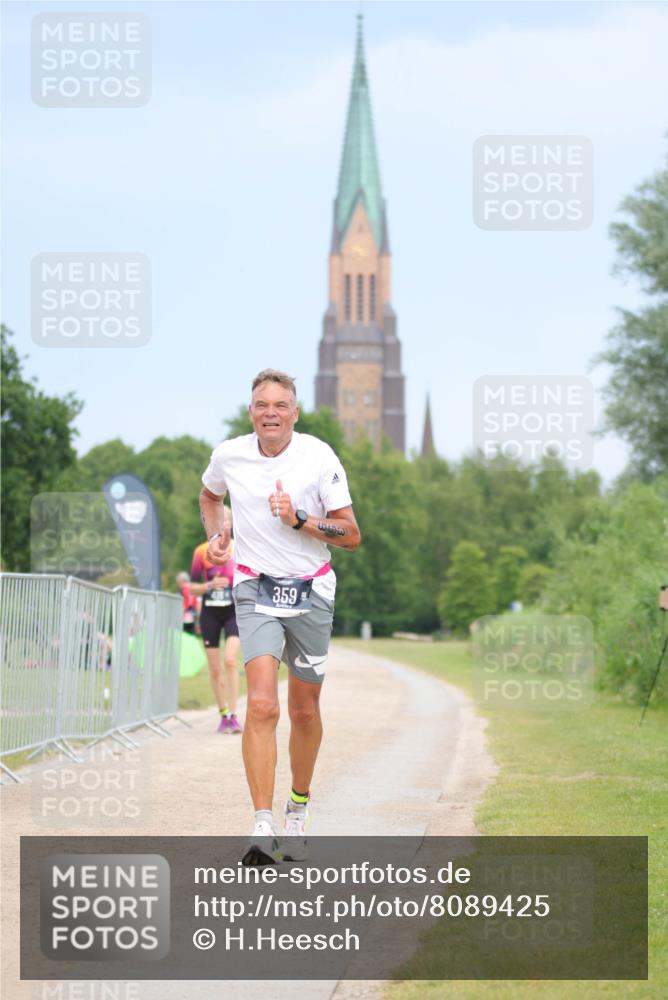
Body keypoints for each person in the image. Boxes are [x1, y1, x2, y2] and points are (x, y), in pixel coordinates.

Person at [199, 369, 360, 864]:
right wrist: (218, 535)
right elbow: (210, 495)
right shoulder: (229, 455)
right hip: (255, 587)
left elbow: (351, 535)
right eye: (262, 405)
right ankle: (262, 824)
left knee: (304, 711)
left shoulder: (318, 456)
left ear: (295, 412)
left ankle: (297, 809)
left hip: (312, 590)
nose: (271, 413)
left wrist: (298, 520)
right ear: (251, 412)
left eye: (280, 405)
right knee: (263, 705)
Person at [189, 508, 242, 734]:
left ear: (231, 523)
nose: (221, 525)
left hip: (233, 612)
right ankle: (223, 715)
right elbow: (191, 586)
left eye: (225, 521)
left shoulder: (239, 548)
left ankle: (234, 715)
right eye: (217, 521)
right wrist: (210, 585)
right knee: (215, 668)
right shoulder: (201, 551)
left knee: (230, 660)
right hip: (210, 613)